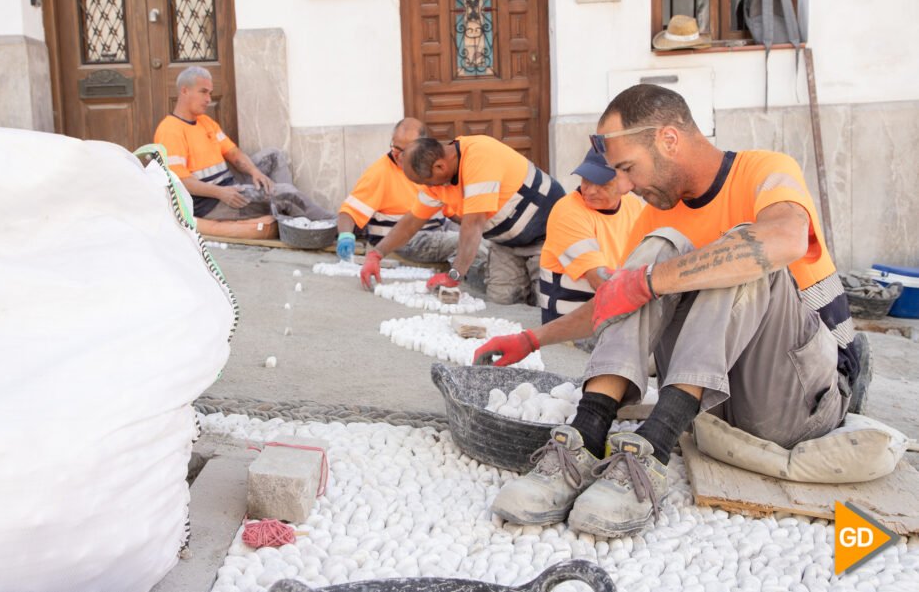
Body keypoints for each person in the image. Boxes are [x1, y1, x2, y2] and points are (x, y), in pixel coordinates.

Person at [475, 84, 862, 539]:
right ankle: (585, 436)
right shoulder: (657, 216)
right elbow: (620, 298)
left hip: (801, 398)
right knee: (658, 250)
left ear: (668, 140)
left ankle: (651, 451)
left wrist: (653, 280)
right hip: (718, 404)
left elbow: (785, 240)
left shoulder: (766, 171)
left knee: (740, 248)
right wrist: (530, 339)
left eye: (627, 168)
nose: (627, 185)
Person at [360, 133, 565, 304]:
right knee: (503, 300)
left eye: (426, 182)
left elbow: (473, 224)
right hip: (506, 243)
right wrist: (377, 254)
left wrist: (455, 275)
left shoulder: (479, 156)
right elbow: (411, 223)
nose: (427, 188)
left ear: (440, 167)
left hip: (547, 235)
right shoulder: (436, 183)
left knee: (548, 304)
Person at [153, 66, 331, 222]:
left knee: (274, 156)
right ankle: (334, 224)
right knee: (287, 194)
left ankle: (283, 209)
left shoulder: (205, 122)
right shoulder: (170, 130)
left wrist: (254, 172)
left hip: (230, 185)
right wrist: (221, 193)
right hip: (213, 203)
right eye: (203, 91)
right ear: (184, 91)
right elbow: (180, 182)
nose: (209, 99)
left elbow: (233, 153)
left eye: (210, 93)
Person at [539, 148, 643, 324]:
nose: (590, 191)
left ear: (625, 184)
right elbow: (598, 279)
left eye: (602, 184)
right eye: (586, 181)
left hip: (612, 311)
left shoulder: (634, 206)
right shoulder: (568, 211)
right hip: (570, 322)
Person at [336, 118, 461, 264]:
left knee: (476, 238)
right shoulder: (380, 172)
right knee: (463, 241)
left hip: (436, 230)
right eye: (395, 148)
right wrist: (345, 235)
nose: (398, 155)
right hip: (401, 241)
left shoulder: (433, 168)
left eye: (405, 151)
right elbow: (349, 211)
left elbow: (451, 210)